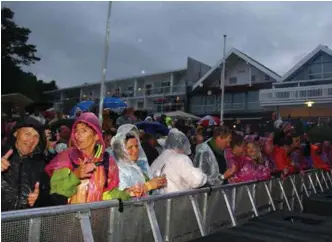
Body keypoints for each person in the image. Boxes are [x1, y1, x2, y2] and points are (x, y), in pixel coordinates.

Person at [45, 112, 122, 204]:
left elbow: (107, 194)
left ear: (96, 135)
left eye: (84, 131)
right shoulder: (65, 158)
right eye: (76, 131)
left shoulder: (107, 161)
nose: (78, 135)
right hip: (70, 217)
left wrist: (127, 193)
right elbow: (56, 193)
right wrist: (75, 175)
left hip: (97, 217)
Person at [1, 117, 51, 211]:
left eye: (36, 136)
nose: (31, 140)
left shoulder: (42, 165)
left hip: (27, 223)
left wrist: (39, 199)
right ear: (16, 134)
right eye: (27, 134)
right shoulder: (2, 156)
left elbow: (51, 199)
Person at [112, 126, 167, 197]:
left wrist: (156, 184)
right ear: (121, 150)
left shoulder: (137, 166)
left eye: (136, 146)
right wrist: (148, 186)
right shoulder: (118, 170)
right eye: (130, 147)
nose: (135, 150)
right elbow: (123, 196)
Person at [151, 129, 207, 193]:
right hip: (177, 200)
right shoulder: (181, 158)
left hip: (160, 200)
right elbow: (196, 180)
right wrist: (204, 175)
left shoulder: (160, 158)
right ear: (182, 145)